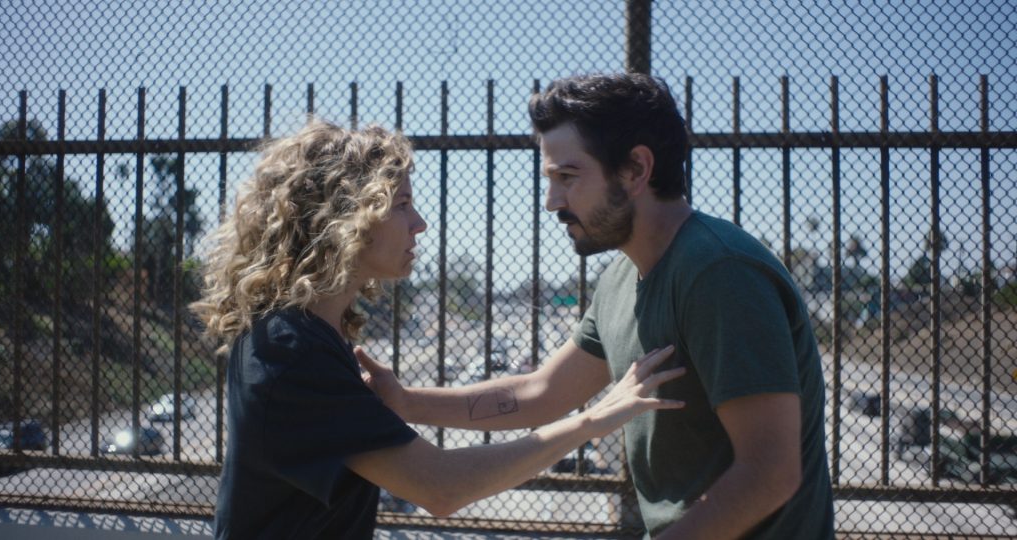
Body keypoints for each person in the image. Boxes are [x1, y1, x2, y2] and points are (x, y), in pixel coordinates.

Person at [360, 73, 835, 539]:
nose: (552, 201)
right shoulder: (623, 278)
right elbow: (543, 392)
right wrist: (406, 402)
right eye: (550, 180)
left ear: (635, 170)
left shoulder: (718, 272)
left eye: (567, 177)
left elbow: (769, 474)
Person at [190, 119, 686, 540]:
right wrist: (595, 420)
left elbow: (539, 391)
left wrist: (405, 402)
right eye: (402, 204)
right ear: (347, 217)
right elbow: (441, 487)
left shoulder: (302, 334)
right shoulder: (292, 348)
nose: (420, 223)